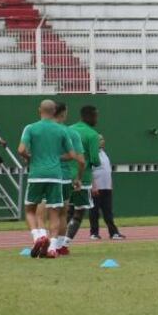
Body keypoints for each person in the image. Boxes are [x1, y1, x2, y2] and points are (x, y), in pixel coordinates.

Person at [18, 100, 79, 259]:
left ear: (40, 110)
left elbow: (21, 150)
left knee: (30, 210)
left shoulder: (30, 128)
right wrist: (56, 158)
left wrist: (31, 158)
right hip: (56, 176)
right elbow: (72, 155)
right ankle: (52, 247)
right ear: (54, 111)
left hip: (37, 174)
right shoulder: (62, 130)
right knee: (55, 212)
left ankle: (38, 237)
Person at [63, 105, 101, 250]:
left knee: (64, 211)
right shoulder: (92, 134)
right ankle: (65, 242)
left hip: (65, 176)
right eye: (96, 116)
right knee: (79, 212)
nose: (97, 119)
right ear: (90, 116)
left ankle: (55, 240)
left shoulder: (68, 129)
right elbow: (95, 160)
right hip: (82, 178)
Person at [53, 103, 87, 256]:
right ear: (64, 113)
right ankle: (58, 245)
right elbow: (81, 160)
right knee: (61, 213)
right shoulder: (71, 133)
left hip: (40, 175)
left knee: (40, 211)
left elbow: (25, 152)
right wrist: (78, 178)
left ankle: (39, 238)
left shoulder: (36, 130)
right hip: (63, 177)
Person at [88, 137, 123, 239]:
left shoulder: (104, 153)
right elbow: (88, 171)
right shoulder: (91, 154)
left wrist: (110, 184)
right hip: (96, 188)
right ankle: (94, 233)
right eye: (99, 139)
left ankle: (113, 233)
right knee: (94, 212)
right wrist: (93, 185)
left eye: (103, 139)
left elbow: (108, 170)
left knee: (108, 212)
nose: (102, 141)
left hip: (106, 187)